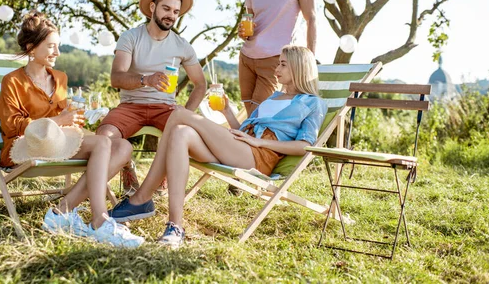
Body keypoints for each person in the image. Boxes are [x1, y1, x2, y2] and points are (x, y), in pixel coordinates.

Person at [109, 45, 327, 248]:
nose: (276, 68)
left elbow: (305, 146)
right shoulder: (275, 97)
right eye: (278, 62)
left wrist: (260, 142)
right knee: (180, 133)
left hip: (258, 157)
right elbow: (243, 131)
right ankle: (175, 225)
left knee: (178, 114)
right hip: (242, 147)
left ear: (299, 67)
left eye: (283, 64)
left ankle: (141, 198)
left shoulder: (312, 103)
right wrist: (226, 112)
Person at [0, 10, 144, 248]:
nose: (57, 52)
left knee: (123, 146)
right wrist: (59, 121)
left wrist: (77, 119)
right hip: (24, 146)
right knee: (102, 143)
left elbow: (64, 118)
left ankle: (62, 211)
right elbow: (11, 126)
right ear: (31, 47)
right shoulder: (12, 81)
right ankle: (100, 220)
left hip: (57, 143)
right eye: (51, 46)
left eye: (58, 46)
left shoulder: (60, 78)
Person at [96, 0, 207, 196]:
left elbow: (200, 84)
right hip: (130, 105)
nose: (171, 16)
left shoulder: (182, 45)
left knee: (184, 133)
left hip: (165, 107)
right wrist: (146, 80)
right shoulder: (131, 37)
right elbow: (116, 77)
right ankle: (126, 166)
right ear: (153, 8)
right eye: (166, 9)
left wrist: (186, 113)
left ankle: (161, 178)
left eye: (176, 12)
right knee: (104, 135)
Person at [239, 0, 318, 116]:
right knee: (250, 114)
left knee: (261, 114)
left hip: (276, 59)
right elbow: (248, 25)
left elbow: (312, 19)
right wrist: (243, 32)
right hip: (247, 58)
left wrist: (310, 59)